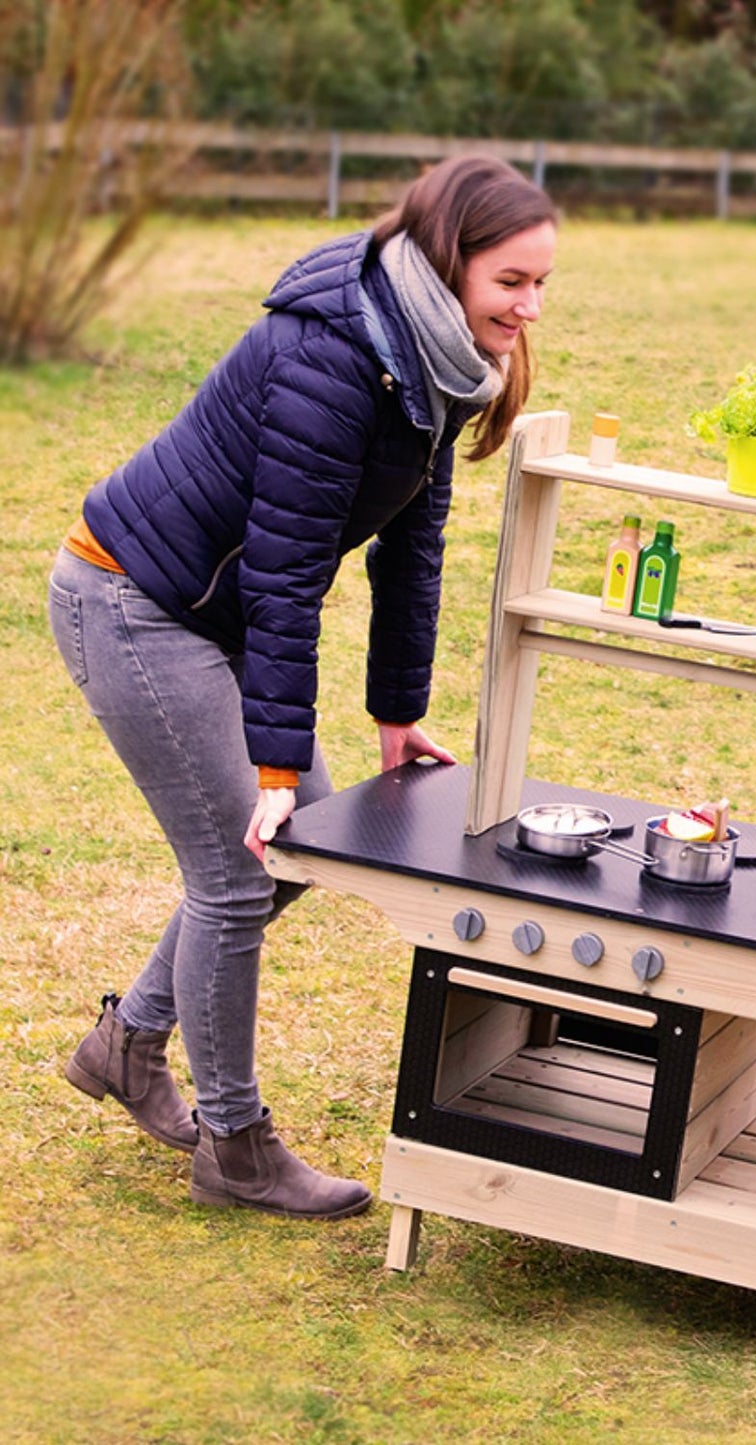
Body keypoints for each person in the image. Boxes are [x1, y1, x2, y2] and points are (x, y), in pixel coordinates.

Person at [48, 155, 558, 1219]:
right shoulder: (335, 358)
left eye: (541, 283)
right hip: (134, 598)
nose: (528, 307)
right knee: (242, 871)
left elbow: (411, 549)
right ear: (449, 259)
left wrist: (396, 716)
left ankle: (129, 1041)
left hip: (209, 612)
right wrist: (276, 766)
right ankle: (234, 1146)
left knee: (299, 851)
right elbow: (283, 571)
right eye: (510, 281)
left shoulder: (431, 357)